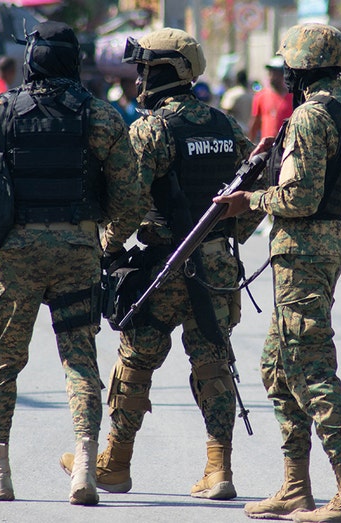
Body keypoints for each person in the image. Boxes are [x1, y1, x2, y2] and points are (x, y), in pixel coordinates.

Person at [58, 27, 265, 501]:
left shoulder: (151, 129)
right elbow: (254, 195)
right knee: (213, 364)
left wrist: (107, 248)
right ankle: (219, 471)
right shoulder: (224, 125)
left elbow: (128, 203)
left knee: (134, 362)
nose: (138, 81)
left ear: (164, 72)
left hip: (163, 267)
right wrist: (223, 239)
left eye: (144, 70)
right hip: (216, 269)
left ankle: (115, 464)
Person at [0, 21, 140, 506]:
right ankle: (85, 468)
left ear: (30, 61)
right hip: (78, 253)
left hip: (15, 257)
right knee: (79, 360)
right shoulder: (102, 117)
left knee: (3, 362)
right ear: (75, 62)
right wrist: (103, 237)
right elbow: (131, 200)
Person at [213, 23, 341, 523]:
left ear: (301, 69)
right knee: (276, 366)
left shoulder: (311, 116)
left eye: (288, 65)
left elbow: (299, 198)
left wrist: (248, 201)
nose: (284, 73)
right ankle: (295, 488)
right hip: (325, 246)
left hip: (304, 253)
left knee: (310, 369)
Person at [248, 56, 294, 142]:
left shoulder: (293, 97)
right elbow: (255, 123)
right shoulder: (261, 96)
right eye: (271, 73)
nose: (272, 76)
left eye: (276, 73)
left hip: (286, 145)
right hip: (267, 148)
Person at [219, 69, 253, 133]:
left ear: (236, 79)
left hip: (235, 130)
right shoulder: (251, 95)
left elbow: (225, 112)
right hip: (248, 129)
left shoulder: (232, 93)